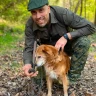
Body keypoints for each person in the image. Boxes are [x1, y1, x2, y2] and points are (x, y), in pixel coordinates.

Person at [23, 0, 96, 94]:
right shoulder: (30, 24)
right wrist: (28, 64)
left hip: (66, 48)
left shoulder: (63, 14)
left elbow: (90, 27)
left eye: (41, 10)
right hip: (47, 55)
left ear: (48, 8)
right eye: (34, 12)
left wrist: (67, 36)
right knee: (37, 81)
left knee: (84, 41)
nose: (38, 16)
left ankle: (72, 79)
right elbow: (29, 47)